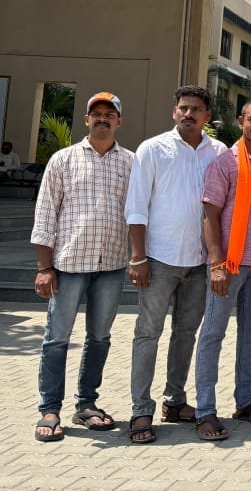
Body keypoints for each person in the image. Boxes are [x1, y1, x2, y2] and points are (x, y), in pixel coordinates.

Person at [124, 86, 226, 444]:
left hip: (199, 262)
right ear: (174, 112)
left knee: (186, 334)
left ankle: (175, 401)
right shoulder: (152, 149)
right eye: (183, 108)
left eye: (196, 109)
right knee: (148, 334)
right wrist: (138, 257)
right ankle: (141, 409)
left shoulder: (219, 152)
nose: (188, 114)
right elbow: (136, 205)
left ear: (207, 116)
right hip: (158, 259)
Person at [31, 92, 133, 442]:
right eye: (96, 113)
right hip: (68, 266)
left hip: (112, 265)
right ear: (86, 119)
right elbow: (45, 214)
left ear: (119, 121)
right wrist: (44, 267)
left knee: (100, 338)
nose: (103, 118)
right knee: (56, 339)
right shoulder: (63, 159)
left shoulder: (131, 163)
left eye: (109, 114)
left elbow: (138, 213)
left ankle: (87, 404)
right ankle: (49, 409)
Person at [194, 99, 251, 441]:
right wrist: (217, 264)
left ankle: (246, 400)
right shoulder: (225, 163)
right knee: (213, 335)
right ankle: (205, 411)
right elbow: (210, 215)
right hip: (228, 266)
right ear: (240, 122)